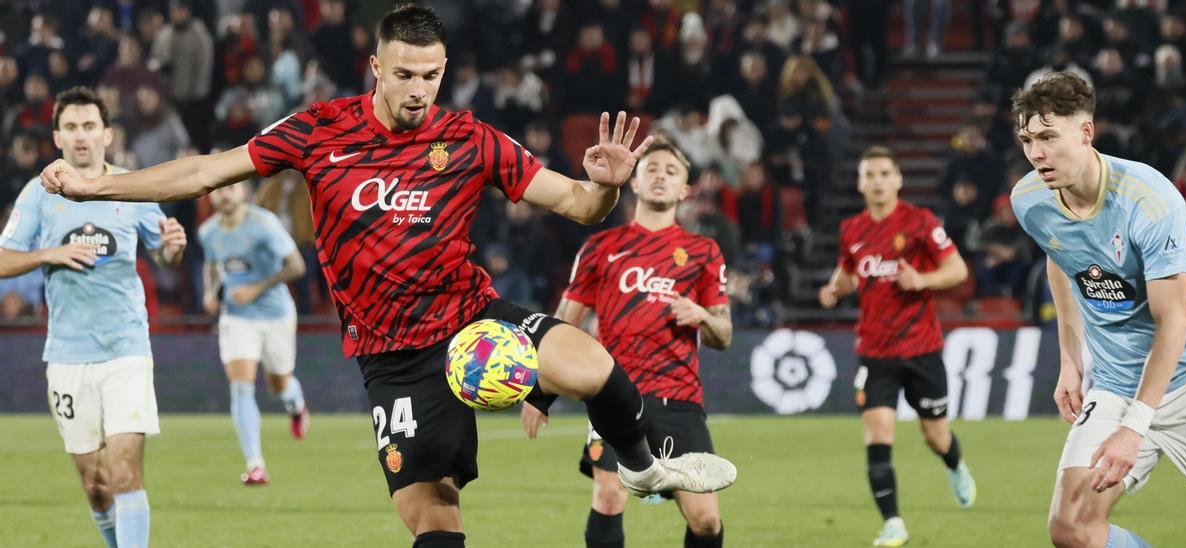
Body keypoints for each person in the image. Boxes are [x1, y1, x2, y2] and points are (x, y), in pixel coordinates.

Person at [39, 7, 735, 548]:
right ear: (376, 66)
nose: (418, 89)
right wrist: (97, 188)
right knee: (433, 519)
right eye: (404, 74)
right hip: (392, 358)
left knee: (592, 365)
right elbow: (202, 171)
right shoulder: (318, 131)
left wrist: (606, 187)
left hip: (472, 318)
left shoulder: (471, 139)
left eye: (430, 76)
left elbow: (581, 205)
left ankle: (642, 468)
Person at [1009, 72, 1186, 548]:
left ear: (1086, 132)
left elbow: (1172, 322)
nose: (1036, 153)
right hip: (1116, 382)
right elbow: (1061, 257)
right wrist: (1070, 361)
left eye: (1049, 137)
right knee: (1070, 528)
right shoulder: (1030, 199)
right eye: (1028, 139)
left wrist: (1135, 427)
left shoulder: (1147, 199)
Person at [0, 86, 187, 548]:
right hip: (67, 355)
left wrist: (172, 250)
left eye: (89, 126)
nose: (81, 136)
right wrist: (53, 253)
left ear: (106, 134)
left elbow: (163, 257)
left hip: (125, 348)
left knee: (125, 472)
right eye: (71, 127)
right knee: (96, 484)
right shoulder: (39, 195)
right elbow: (3, 259)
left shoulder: (132, 187)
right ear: (57, 138)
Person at [521, 140, 732, 548]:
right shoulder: (601, 248)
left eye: (672, 172)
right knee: (609, 494)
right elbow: (563, 324)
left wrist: (704, 316)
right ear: (634, 181)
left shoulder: (703, 252)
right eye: (652, 168)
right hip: (616, 396)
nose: (661, 176)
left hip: (679, 398)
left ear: (685, 190)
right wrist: (538, 392)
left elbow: (723, 335)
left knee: (705, 520)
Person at [817, 146, 975, 547]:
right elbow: (851, 269)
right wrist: (837, 288)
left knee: (936, 436)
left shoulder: (919, 222)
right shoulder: (852, 229)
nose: (877, 181)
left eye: (885, 173)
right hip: (875, 351)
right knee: (878, 433)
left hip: (922, 349)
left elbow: (957, 269)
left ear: (898, 179)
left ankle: (955, 464)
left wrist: (921, 281)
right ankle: (893, 523)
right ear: (860, 183)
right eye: (869, 174)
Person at [198, 181, 309, 486]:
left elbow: (296, 266)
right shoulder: (208, 232)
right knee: (241, 386)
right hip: (237, 317)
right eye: (220, 190)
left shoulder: (264, 224)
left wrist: (256, 288)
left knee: (279, 386)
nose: (225, 194)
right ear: (212, 195)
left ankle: (295, 404)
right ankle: (255, 464)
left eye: (231, 188)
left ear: (243, 191)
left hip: (275, 315)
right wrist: (211, 292)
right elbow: (212, 264)